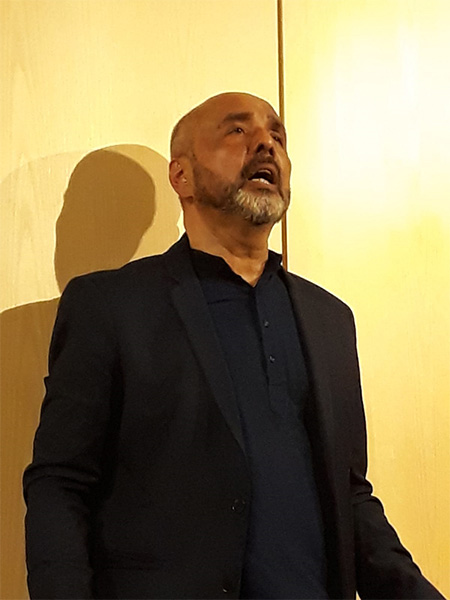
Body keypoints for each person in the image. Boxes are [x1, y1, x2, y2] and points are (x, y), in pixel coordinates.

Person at [23, 92, 445, 600]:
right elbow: (61, 484)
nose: (266, 144)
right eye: (237, 130)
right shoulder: (110, 306)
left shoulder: (330, 320)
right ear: (182, 176)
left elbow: (350, 497)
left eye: (278, 136)